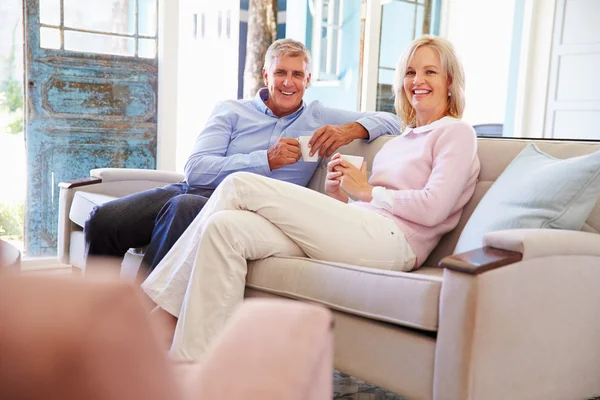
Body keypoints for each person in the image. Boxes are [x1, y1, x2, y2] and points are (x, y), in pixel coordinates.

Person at [142, 35, 481, 361]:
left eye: (430, 71)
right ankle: (196, 366)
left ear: (450, 80)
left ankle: (156, 314)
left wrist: (367, 191)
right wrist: (340, 192)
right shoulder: (402, 138)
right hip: (366, 232)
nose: (417, 80)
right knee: (224, 229)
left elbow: (433, 207)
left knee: (239, 184)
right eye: (410, 72)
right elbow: (364, 209)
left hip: (397, 243)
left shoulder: (456, 132)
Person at [83, 39, 401, 276]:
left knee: (182, 209)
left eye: (297, 74)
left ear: (308, 80)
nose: (288, 82)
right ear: (266, 75)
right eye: (280, 73)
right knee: (103, 220)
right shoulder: (231, 111)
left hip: (247, 210)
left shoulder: (319, 115)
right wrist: (265, 159)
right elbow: (196, 171)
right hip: (193, 191)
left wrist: (352, 129)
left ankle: (138, 325)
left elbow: (395, 121)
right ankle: (93, 316)